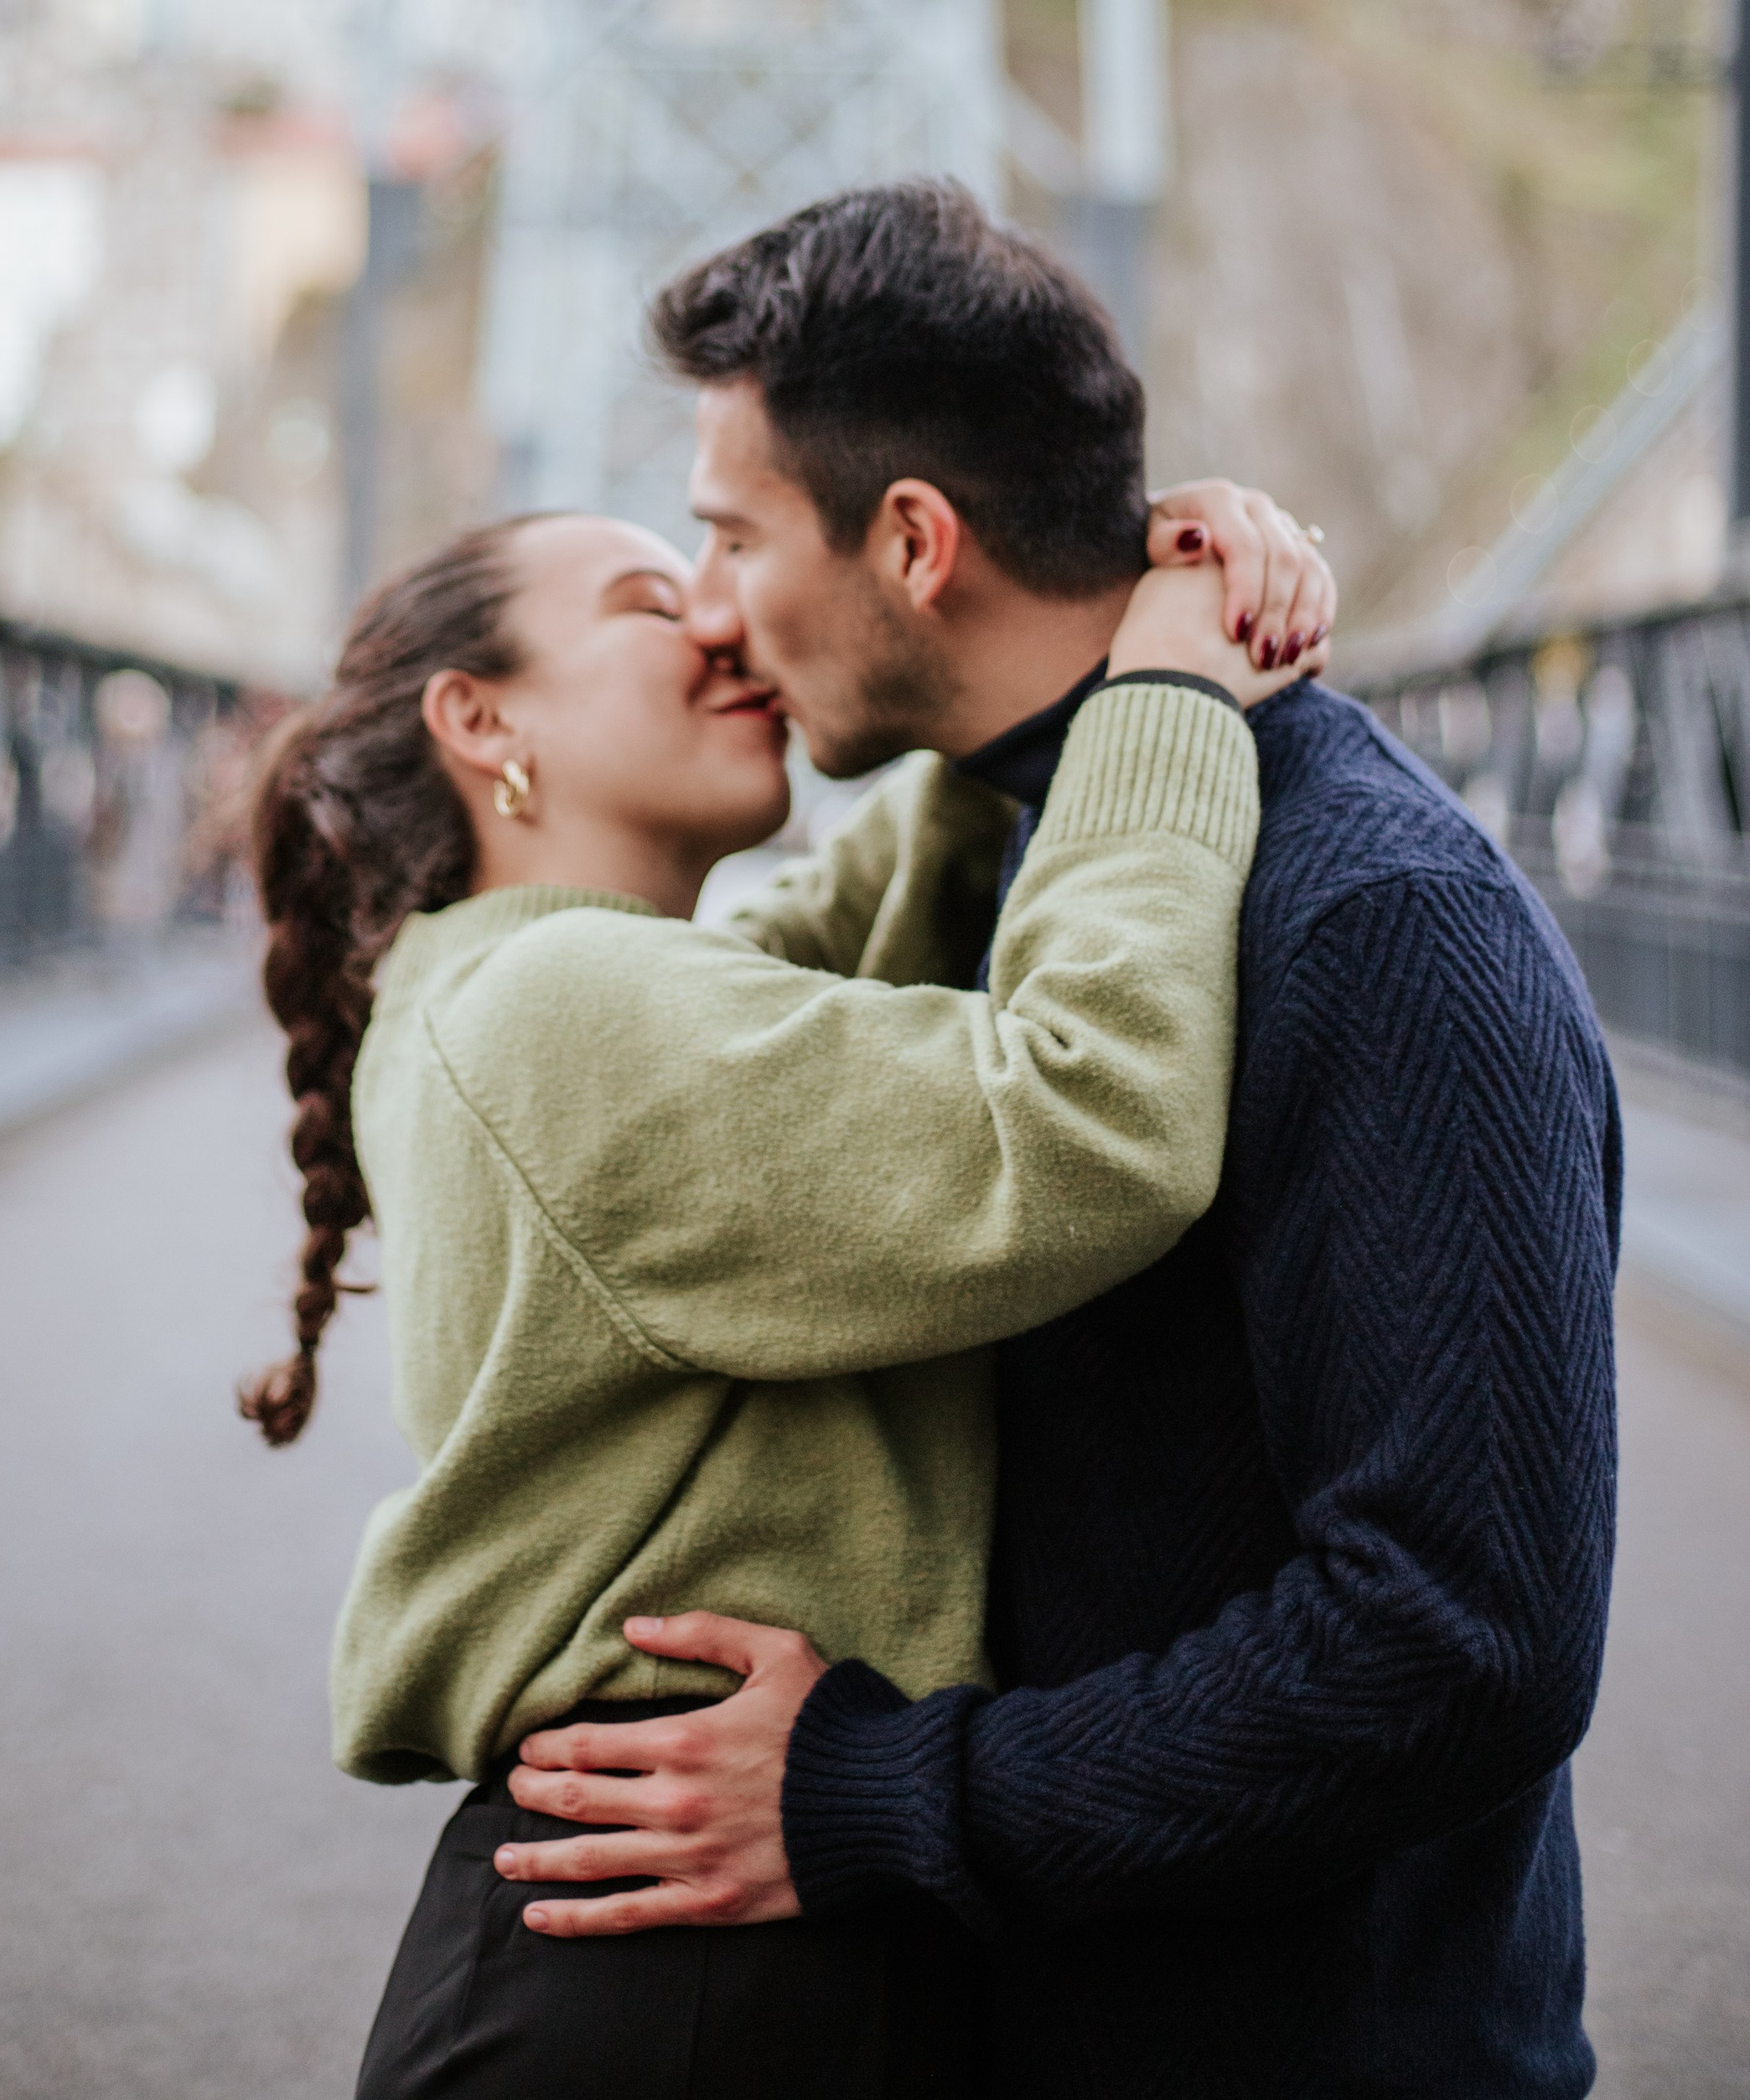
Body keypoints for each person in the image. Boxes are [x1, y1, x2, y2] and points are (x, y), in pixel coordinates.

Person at [500, 179, 1622, 2100]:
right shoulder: (1018, 839)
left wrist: (874, 1795)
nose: (707, 604)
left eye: (729, 533)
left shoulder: (1374, 925)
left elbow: (1464, 1636)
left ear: (914, 541)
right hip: (1029, 2015)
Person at [241, 499, 1307, 2099]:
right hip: (676, 1982)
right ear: (481, 718)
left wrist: (1037, 605)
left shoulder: (522, 982)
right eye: (652, 599)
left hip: (671, 1935)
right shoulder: (561, 1012)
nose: (724, 624)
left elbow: (875, 907)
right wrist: (1164, 696)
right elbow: (1086, 1117)